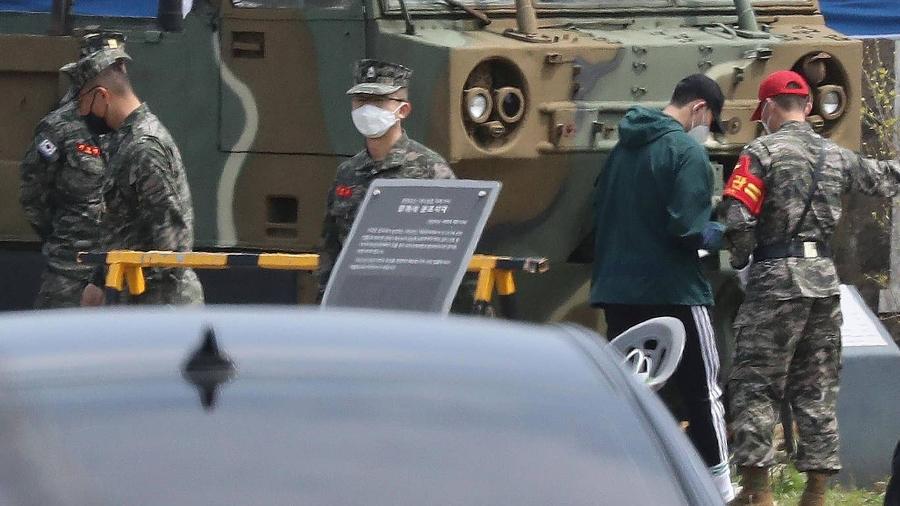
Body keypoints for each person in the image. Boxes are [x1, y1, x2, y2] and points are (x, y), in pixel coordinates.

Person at [722, 70, 900, 506]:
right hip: (823, 280)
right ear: (806, 107)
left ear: (766, 109)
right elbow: (885, 178)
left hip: (775, 281)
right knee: (816, 388)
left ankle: (758, 493)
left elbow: (738, 218)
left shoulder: (759, 153)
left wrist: (742, 256)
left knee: (757, 386)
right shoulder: (835, 155)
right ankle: (816, 494)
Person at [590, 74, 733, 502]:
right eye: (709, 121)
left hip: (617, 292)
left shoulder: (621, 148)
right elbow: (687, 230)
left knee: (632, 396)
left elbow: (598, 210)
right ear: (700, 110)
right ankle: (721, 492)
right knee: (703, 392)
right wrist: (721, 230)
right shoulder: (686, 151)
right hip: (675, 293)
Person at [75, 44, 203, 305]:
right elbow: (125, 224)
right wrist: (98, 279)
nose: (80, 113)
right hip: (139, 297)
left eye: (82, 103)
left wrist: (156, 313)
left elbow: (173, 244)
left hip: (162, 303)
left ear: (102, 96)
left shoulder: (143, 147)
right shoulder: (123, 142)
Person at [316, 59, 455, 298]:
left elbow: (453, 247)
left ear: (403, 110)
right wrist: (326, 303)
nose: (367, 110)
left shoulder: (432, 170)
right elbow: (331, 247)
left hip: (412, 304)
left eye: (378, 101)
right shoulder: (348, 172)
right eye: (360, 101)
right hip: (356, 304)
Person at [19, 33, 124, 308]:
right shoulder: (58, 128)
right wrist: (65, 240)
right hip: (69, 275)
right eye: (107, 67)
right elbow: (34, 195)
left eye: (119, 67)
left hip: (121, 274)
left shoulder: (129, 126)